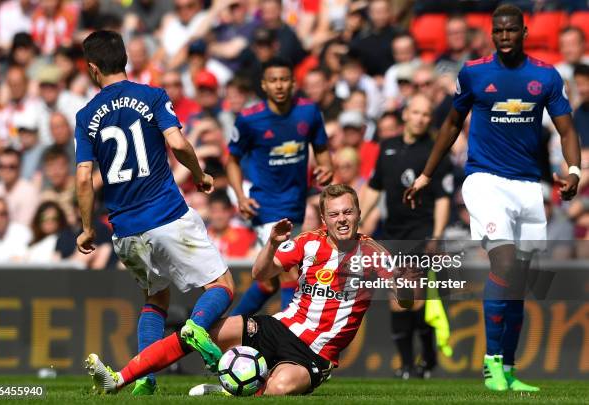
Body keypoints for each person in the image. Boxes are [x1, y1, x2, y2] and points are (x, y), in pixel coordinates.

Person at [85, 184, 418, 396]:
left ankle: (229, 389)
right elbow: (262, 273)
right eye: (335, 214)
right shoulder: (307, 242)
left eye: (348, 211)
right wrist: (272, 245)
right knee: (196, 333)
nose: (342, 219)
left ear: (359, 213)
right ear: (323, 218)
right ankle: (118, 379)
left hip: (315, 354)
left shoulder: (375, 254)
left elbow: (403, 302)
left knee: (280, 387)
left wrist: (404, 284)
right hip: (279, 327)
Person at [404, 4, 581, 392]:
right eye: (497, 31)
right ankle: (490, 364)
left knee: (518, 279)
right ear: (491, 33)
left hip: (528, 187)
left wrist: (574, 171)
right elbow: (451, 124)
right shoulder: (474, 73)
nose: (504, 37)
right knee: (502, 261)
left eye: (510, 31)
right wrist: (425, 175)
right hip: (484, 180)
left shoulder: (545, 76)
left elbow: (567, 130)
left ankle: (510, 367)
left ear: (524, 31)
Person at [74, 31, 235, 396]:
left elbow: (84, 177)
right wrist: (200, 175)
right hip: (167, 214)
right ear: (125, 59)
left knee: (156, 299)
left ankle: (145, 378)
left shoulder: (86, 115)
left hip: (126, 230)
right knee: (222, 286)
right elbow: (177, 142)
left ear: (92, 69)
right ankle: (196, 327)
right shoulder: (152, 95)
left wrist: (86, 229)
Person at [225, 56, 333, 317]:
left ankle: (228, 328)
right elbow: (232, 161)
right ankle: (290, 339)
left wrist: (326, 167)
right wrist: (240, 196)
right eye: (273, 80)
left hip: (295, 205)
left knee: (269, 281)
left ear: (294, 82)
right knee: (289, 271)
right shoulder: (250, 119)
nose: (279, 85)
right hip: (266, 206)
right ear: (264, 85)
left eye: (284, 79)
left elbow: (321, 150)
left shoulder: (308, 112)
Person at [360, 94, 453, 379]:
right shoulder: (387, 147)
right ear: (406, 115)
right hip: (393, 232)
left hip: (421, 232)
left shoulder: (436, 151)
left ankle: (421, 360)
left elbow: (442, 197)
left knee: (411, 295)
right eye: (416, 112)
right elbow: (375, 188)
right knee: (399, 298)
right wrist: (358, 220)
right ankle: (411, 364)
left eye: (426, 114)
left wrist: (436, 235)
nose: (421, 118)